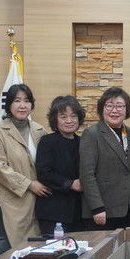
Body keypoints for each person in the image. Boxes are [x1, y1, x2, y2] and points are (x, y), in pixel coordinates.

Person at [0, 83, 50, 247]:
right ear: (9, 105)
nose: (22, 105)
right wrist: (28, 184)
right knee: (16, 250)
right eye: (17, 100)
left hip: (37, 200)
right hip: (10, 201)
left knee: (37, 248)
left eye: (27, 101)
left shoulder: (39, 130)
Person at [80, 87, 130, 229]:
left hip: (126, 210)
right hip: (102, 211)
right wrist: (97, 207)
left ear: (127, 109)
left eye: (120, 106)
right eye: (109, 106)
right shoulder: (92, 134)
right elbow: (87, 174)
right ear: (102, 108)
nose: (114, 110)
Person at [34, 95, 87, 236]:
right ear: (55, 120)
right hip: (53, 211)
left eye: (73, 116)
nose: (69, 121)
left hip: (80, 212)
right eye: (63, 117)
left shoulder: (84, 142)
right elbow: (44, 173)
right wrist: (70, 184)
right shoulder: (47, 142)